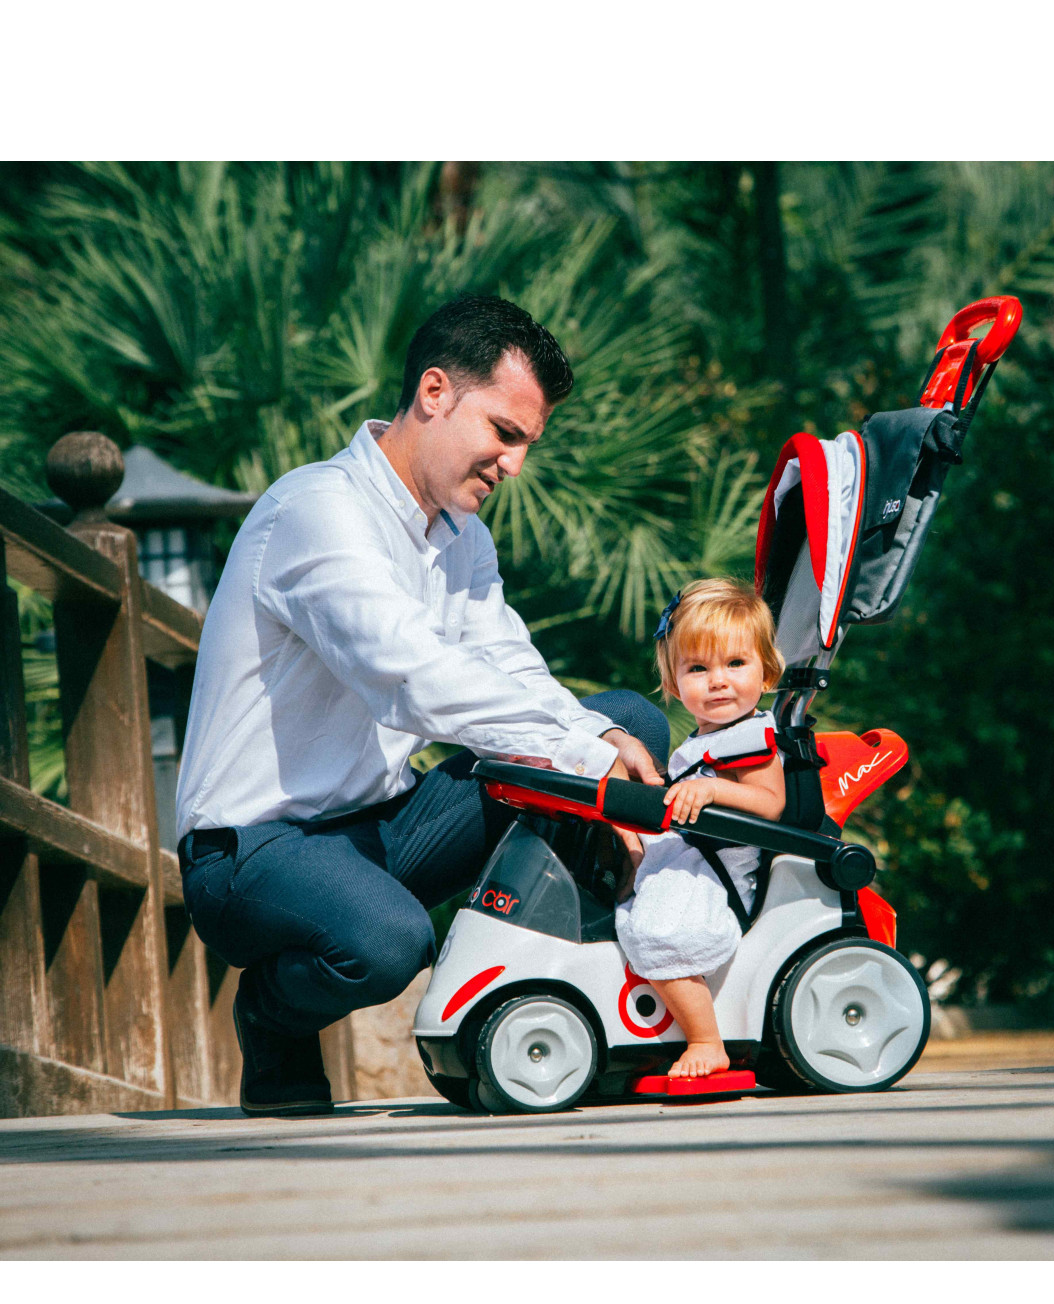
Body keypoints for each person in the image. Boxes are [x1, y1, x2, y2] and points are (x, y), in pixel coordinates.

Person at [175, 294, 669, 1116]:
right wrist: (584, 764)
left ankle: (568, 982)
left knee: (631, 724)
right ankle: (270, 1015)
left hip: (385, 828)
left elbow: (510, 667)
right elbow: (411, 676)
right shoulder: (316, 510)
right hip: (253, 851)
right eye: (504, 433)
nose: (514, 465)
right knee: (389, 941)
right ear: (435, 392)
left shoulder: (463, 537)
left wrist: (598, 741)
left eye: (526, 443)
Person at [614, 578, 786, 1079]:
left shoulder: (752, 737)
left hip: (716, 875)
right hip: (690, 859)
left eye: (735, 663)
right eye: (698, 669)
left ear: (766, 673)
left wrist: (713, 790)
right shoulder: (704, 740)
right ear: (674, 685)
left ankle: (707, 1041)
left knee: (661, 933)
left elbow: (770, 803)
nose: (718, 681)